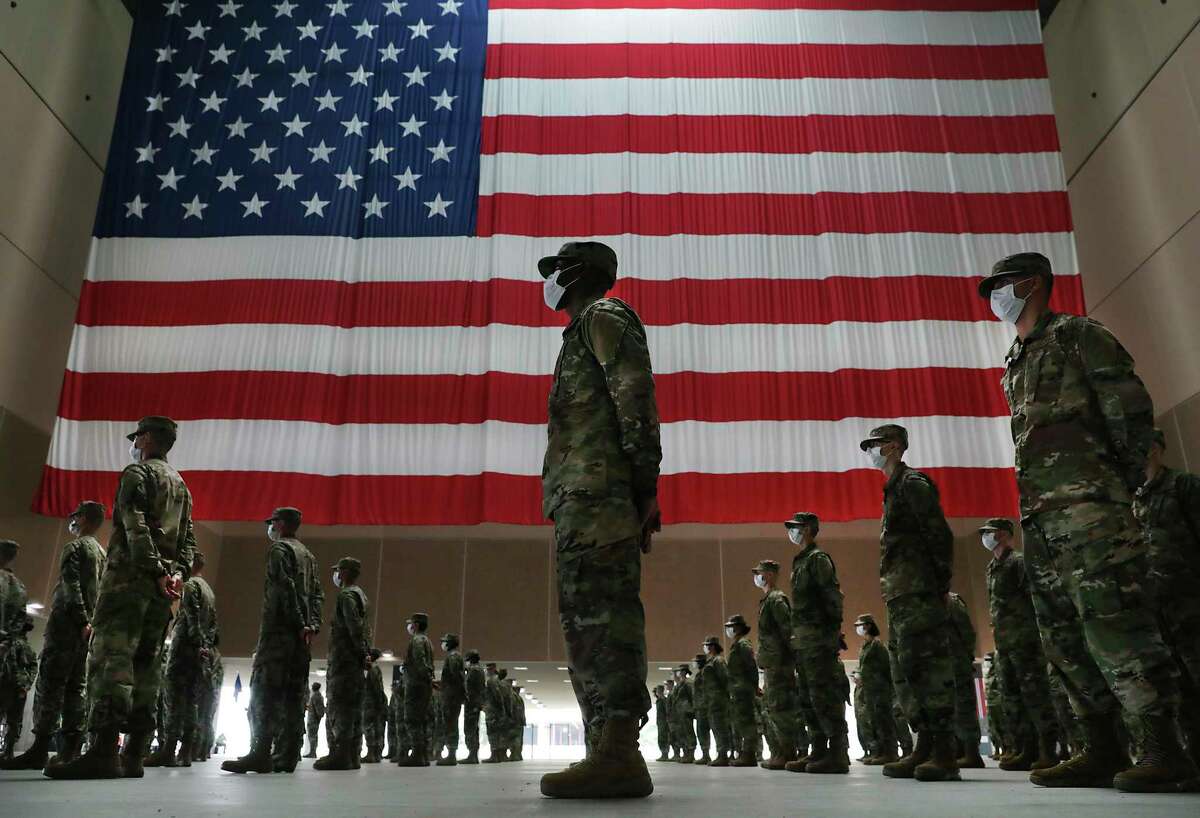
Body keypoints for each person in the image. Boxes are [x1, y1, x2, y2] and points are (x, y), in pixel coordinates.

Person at [981, 252, 1196, 791]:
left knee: (1116, 625)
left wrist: (1112, 489)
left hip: (1092, 512)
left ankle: (1161, 747)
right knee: (1063, 637)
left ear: (1031, 285)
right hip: (1042, 519)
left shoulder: (1079, 336)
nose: (995, 295)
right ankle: (1097, 745)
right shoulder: (1016, 360)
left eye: (1002, 285)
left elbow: (1129, 411)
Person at [536, 241, 662, 799]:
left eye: (558, 269)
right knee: (585, 624)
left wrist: (643, 487)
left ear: (584, 273)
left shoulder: (604, 316)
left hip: (601, 495)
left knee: (605, 622)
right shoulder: (579, 331)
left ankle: (619, 751)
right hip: (581, 499)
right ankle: (604, 748)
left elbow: (633, 399)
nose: (551, 280)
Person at [49, 416, 196, 780]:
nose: (134, 443)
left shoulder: (137, 474)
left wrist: (156, 568)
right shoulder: (182, 487)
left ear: (146, 439)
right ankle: (133, 755)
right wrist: (176, 573)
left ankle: (102, 751)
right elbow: (188, 541)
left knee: (111, 661)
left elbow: (134, 523)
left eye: (137, 437)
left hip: (129, 583)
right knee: (147, 666)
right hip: (161, 594)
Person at [859, 424, 958, 782]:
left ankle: (945, 752)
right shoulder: (893, 488)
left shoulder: (912, 484)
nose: (870, 451)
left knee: (929, 669)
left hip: (920, 592)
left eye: (874, 445)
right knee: (907, 671)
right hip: (901, 593)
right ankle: (925, 744)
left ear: (893, 446)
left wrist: (940, 584)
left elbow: (938, 534)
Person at [3, 503, 106, 770]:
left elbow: (71, 587)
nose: (72, 521)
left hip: (66, 627)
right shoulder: (101, 553)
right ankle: (68, 750)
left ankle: (39, 748)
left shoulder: (75, 547)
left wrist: (82, 619)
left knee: (50, 685)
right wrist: (90, 623)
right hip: (85, 633)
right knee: (75, 688)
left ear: (83, 518)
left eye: (75, 517)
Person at [223, 508, 323, 775]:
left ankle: (260, 752)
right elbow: (318, 595)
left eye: (272, 523)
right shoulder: (309, 556)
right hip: (301, 640)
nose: (269, 528)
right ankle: (287, 755)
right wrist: (312, 625)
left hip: (279, 634)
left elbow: (283, 588)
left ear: (279, 524)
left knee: (264, 694)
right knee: (292, 696)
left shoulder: (279, 551)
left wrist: (299, 621)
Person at [1135, 429, 1200, 765]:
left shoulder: (1183, 486)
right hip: (1157, 611)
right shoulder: (1133, 499)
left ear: (1157, 449)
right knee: (1180, 690)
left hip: (1191, 603)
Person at [980, 518, 1060, 771]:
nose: (985, 537)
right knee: (1012, 697)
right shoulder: (992, 567)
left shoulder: (1018, 562)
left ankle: (1048, 750)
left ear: (1003, 534)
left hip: (1025, 639)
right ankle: (1027, 749)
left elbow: (1035, 597)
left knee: (1035, 695)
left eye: (989, 532)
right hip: (1005, 642)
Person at [782, 513, 850, 775]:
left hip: (819, 638)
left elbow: (831, 596)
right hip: (805, 640)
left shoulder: (817, 559)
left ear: (809, 529)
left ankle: (838, 753)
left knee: (825, 696)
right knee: (809, 697)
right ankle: (819, 749)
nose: (792, 532)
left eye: (796, 528)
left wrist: (831, 633)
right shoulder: (801, 561)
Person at [159, 549, 219, 767]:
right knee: (191, 701)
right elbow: (213, 624)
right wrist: (205, 645)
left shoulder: (191, 585)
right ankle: (186, 751)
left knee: (175, 698)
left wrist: (195, 641)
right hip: (199, 651)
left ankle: (168, 749)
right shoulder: (209, 591)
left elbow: (191, 615)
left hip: (185, 647)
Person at [315, 558, 371, 771]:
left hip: (344, 659)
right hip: (353, 660)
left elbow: (353, 627)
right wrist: (364, 652)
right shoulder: (361, 595)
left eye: (338, 570)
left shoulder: (346, 595)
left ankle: (340, 755)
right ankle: (352, 755)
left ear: (345, 572)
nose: (336, 575)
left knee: (341, 706)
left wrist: (360, 651)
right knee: (353, 707)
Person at [752, 558, 800, 770]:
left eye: (759, 573)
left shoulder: (777, 600)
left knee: (781, 708)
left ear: (769, 575)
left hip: (779, 664)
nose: (757, 577)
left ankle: (787, 753)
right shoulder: (768, 601)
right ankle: (779, 753)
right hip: (773, 664)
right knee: (773, 707)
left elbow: (787, 632)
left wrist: (790, 660)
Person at [945, 592, 984, 769]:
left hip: (957, 659)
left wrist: (966, 655)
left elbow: (966, 630)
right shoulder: (930, 600)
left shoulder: (951, 600)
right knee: (950, 708)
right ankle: (959, 751)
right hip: (944, 662)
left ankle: (971, 753)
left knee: (963, 706)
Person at [854, 614, 898, 764]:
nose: (858, 629)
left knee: (884, 721)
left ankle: (890, 753)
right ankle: (879, 752)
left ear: (868, 626)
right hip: (870, 691)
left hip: (880, 689)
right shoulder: (865, 646)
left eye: (859, 625)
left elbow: (887, 667)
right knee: (874, 721)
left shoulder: (877, 646)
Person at [399, 612, 434, 767]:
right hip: (422, 684)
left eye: (411, 623)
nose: (409, 626)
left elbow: (419, 662)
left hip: (415, 685)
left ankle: (418, 754)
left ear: (417, 625)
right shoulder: (427, 641)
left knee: (412, 718)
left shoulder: (418, 640)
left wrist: (423, 679)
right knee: (421, 719)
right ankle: (422, 754)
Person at [724, 615, 759, 768]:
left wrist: (754, 686)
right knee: (742, 722)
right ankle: (746, 753)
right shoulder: (737, 645)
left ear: (737, 627)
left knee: (747, 722)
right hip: (739, 689)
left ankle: (750, 754)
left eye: (730, 627)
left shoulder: (743, 644)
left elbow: (751, 666)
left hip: (743, 689)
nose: (728, 630)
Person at [0, 613, 36, 759]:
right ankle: (8, 751)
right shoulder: (29, 649)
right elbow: (33, 669)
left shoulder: (9, 644)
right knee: (14, 722)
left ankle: (7, 751)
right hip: (19, 690)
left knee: (12, 721)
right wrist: (25, 685)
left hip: (6, 686)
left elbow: (7, 665)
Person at [437, 633, 466, 766]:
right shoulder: (455, 656)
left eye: (444, 641)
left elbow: (456, 677)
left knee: (450, 724)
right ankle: (451, 753)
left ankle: (451, 755)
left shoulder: (453, 656)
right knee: (450, 723)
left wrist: (451, 691)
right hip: (451, 695)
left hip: (451, 697)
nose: (442, 644)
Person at [462, 650, 485, 764]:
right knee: (473, 729)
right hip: (475, 702)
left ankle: (472, 755)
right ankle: (473, 754)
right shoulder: (480, 669)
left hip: (472, 703)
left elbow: (469, 687)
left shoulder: (473, 670)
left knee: (470, 728)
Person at [671, 665, 697, 763]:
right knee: (681, 733)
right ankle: (685, 752)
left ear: (684, 672)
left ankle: (691, 753)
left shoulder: (688, 683)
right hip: (679, 712)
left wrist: (693, 709)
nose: (678, 673)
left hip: (686, 711)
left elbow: (692, 696)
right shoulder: (679, 684)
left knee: (688, 732)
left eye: (679, 671)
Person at [693, 654, 711, 764]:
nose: (694, 664)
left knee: (705, 730)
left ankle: (708, 755)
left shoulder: (706, 672)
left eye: (696, 661)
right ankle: (705, 754)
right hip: (700, 706)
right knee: (701, 731)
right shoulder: (700, 673)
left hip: (705, 706)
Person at [305, 682, 325, 759]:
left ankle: (312, 753)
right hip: (314, 718)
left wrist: (317, 718)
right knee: (313, 736)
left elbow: (318, 710)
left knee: (312, 736)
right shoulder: (317, 695)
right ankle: (312, 752)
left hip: (313, 719)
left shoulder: (316, 696)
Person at [653, 685, 670, 762]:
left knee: (663, 737)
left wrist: (667, 720)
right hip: (660, 721)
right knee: (661, 737)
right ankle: (664, 754)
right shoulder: (659, 700)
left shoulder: (663, 700)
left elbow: (667, 711)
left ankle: (665, 754)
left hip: (663, 721)